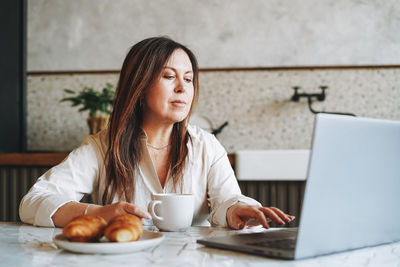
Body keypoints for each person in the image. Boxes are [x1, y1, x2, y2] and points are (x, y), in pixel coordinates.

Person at [20, 37, 294, 229]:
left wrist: (237, 210)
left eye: (188, 79)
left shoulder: (206, 146)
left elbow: (228, 201)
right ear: (139, 86)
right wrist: (99, 214)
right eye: (168, 76)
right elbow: (33, 202)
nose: (182, 88)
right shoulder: (102, 146)